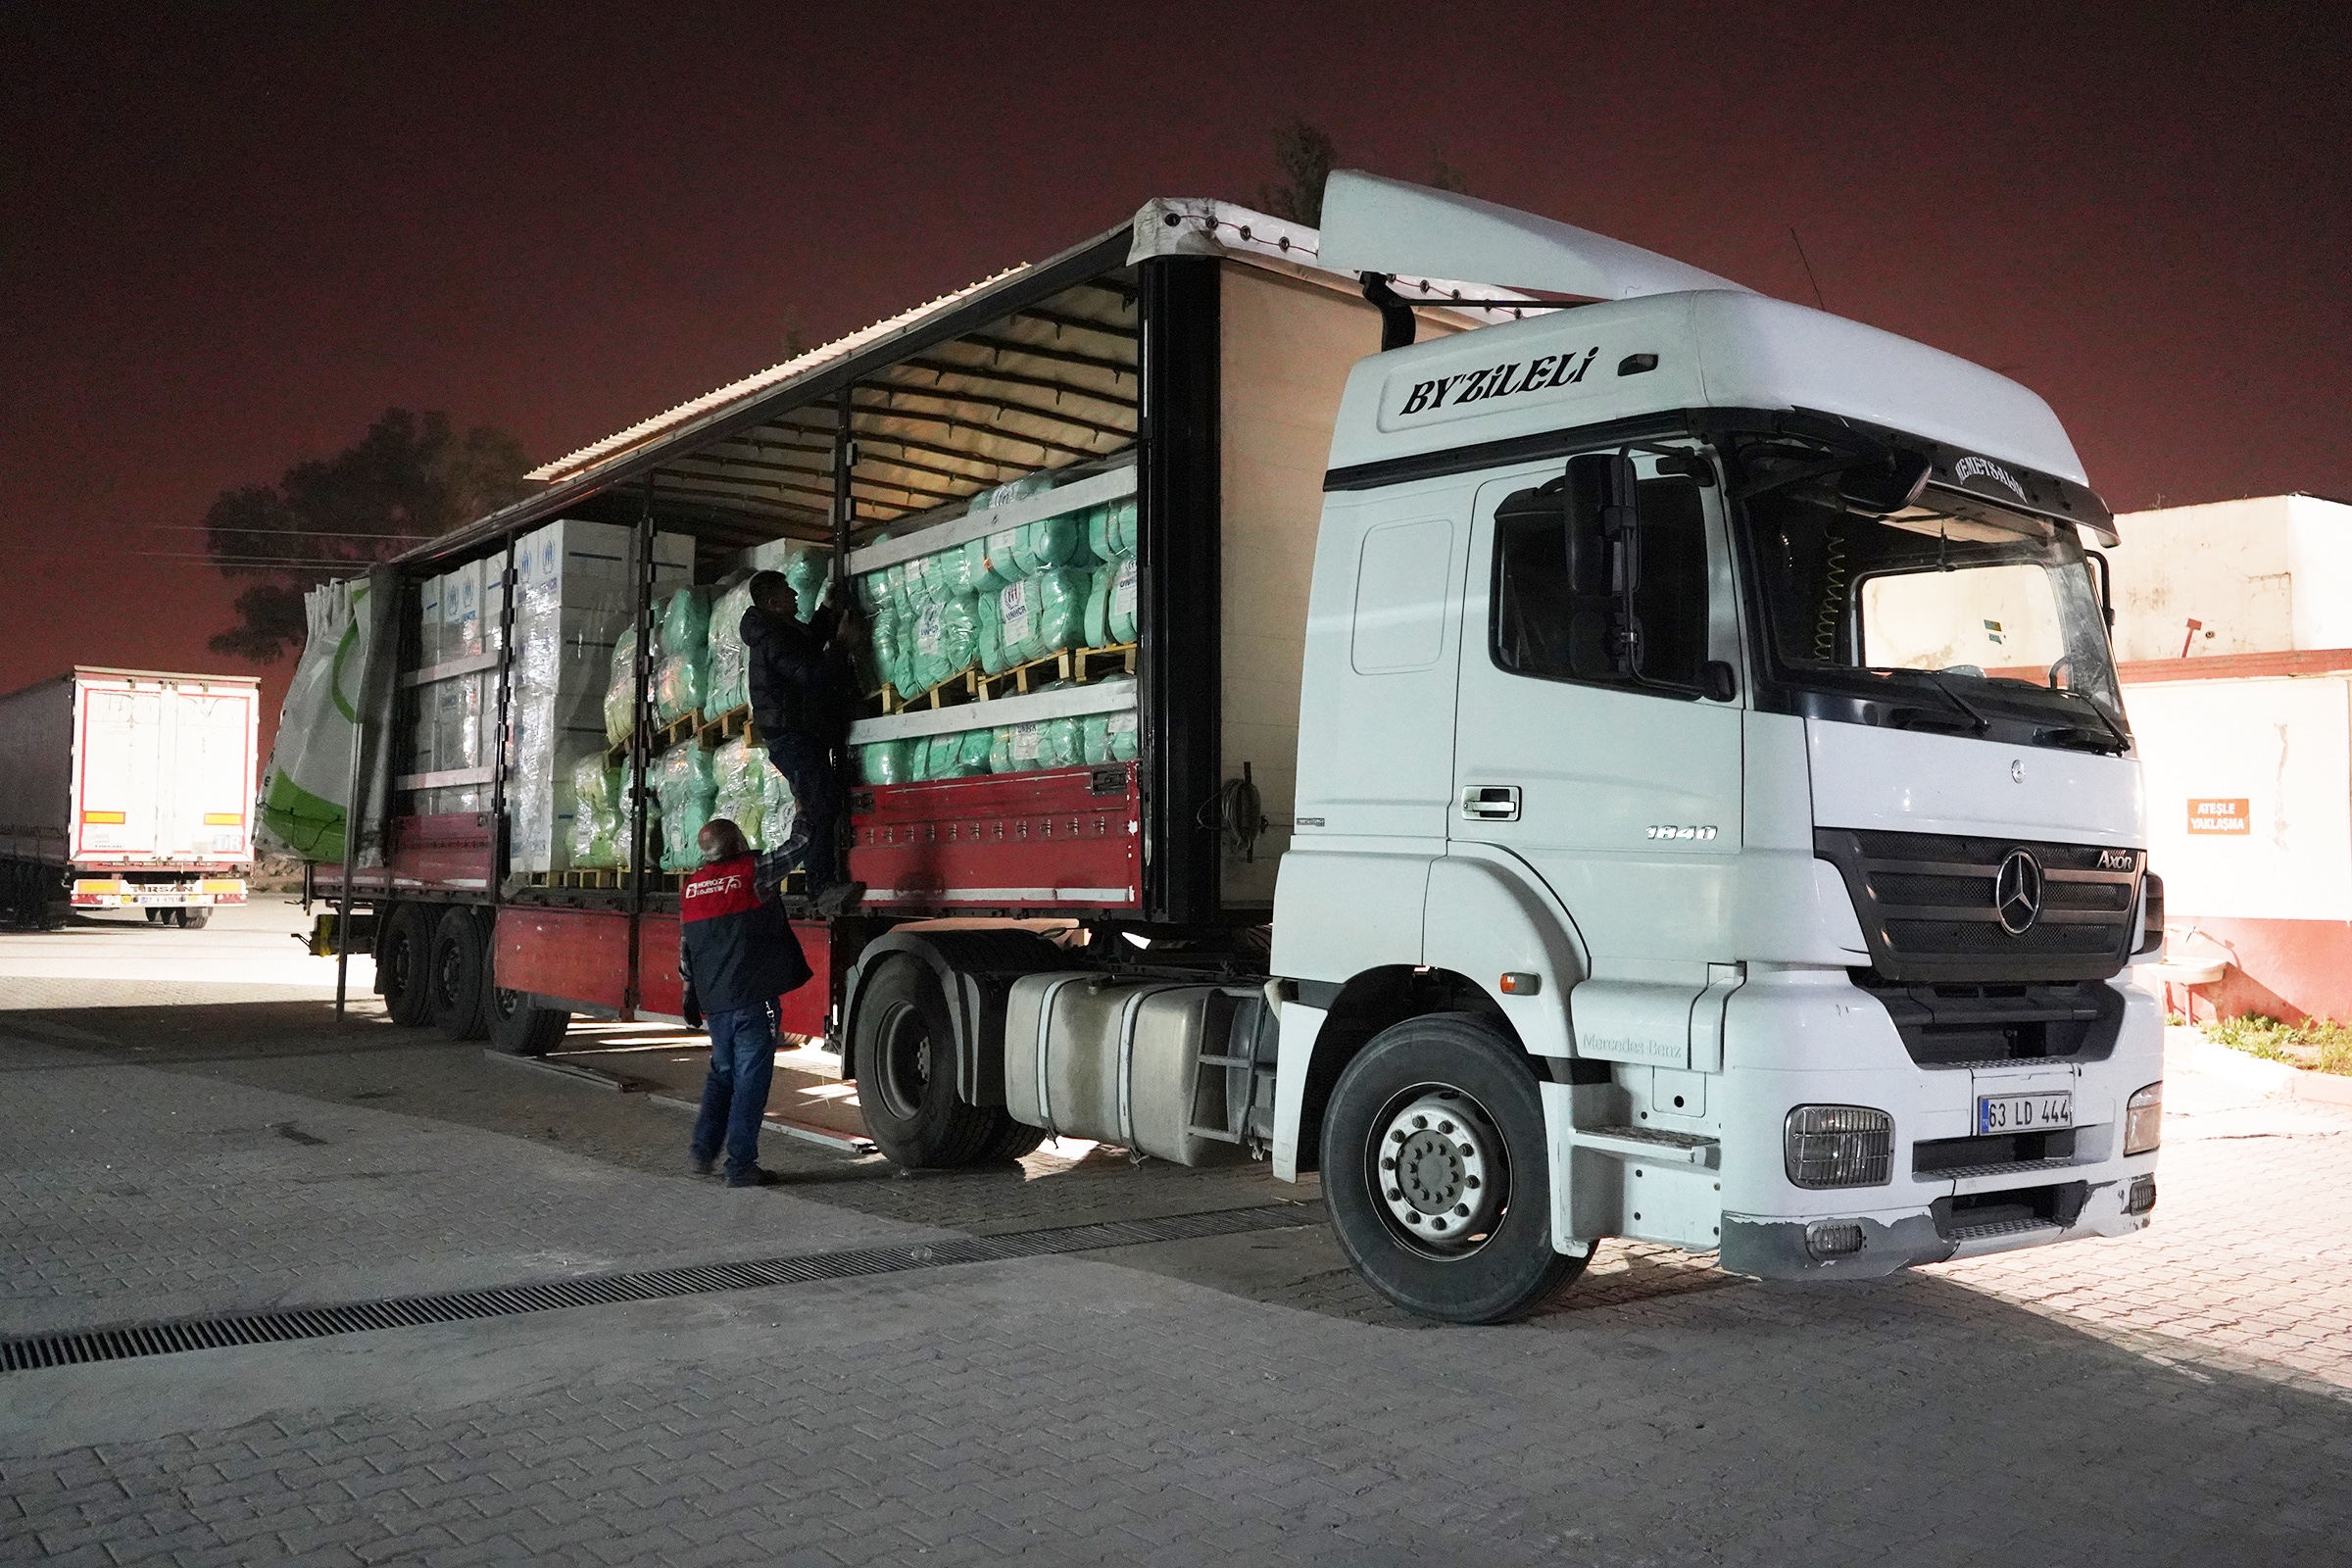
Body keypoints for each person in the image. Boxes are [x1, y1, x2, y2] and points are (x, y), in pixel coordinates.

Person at [680, 816, 811, 1187]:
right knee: (751, 1081)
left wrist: (689, 992)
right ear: (738, 842)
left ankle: (702, 1151)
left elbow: (686, 949)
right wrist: (804, 811)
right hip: (754, 998)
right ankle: (740, 1166)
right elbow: (798, 846)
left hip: (716, 1002)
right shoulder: (752, 873)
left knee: (722, 1074)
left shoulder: (691, 888)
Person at [739, 570, 863, 915]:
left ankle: (821, 882)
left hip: (799, 732)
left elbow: (806, 645)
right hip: (791, 736)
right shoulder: (772, 639)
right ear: (773, 602)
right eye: (787, 591)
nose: (794, 594)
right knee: (821, 803)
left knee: (819, 800)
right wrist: (841, 646)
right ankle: (820, 888)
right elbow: (811, 675)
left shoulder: (777, 630)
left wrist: (825, 611)